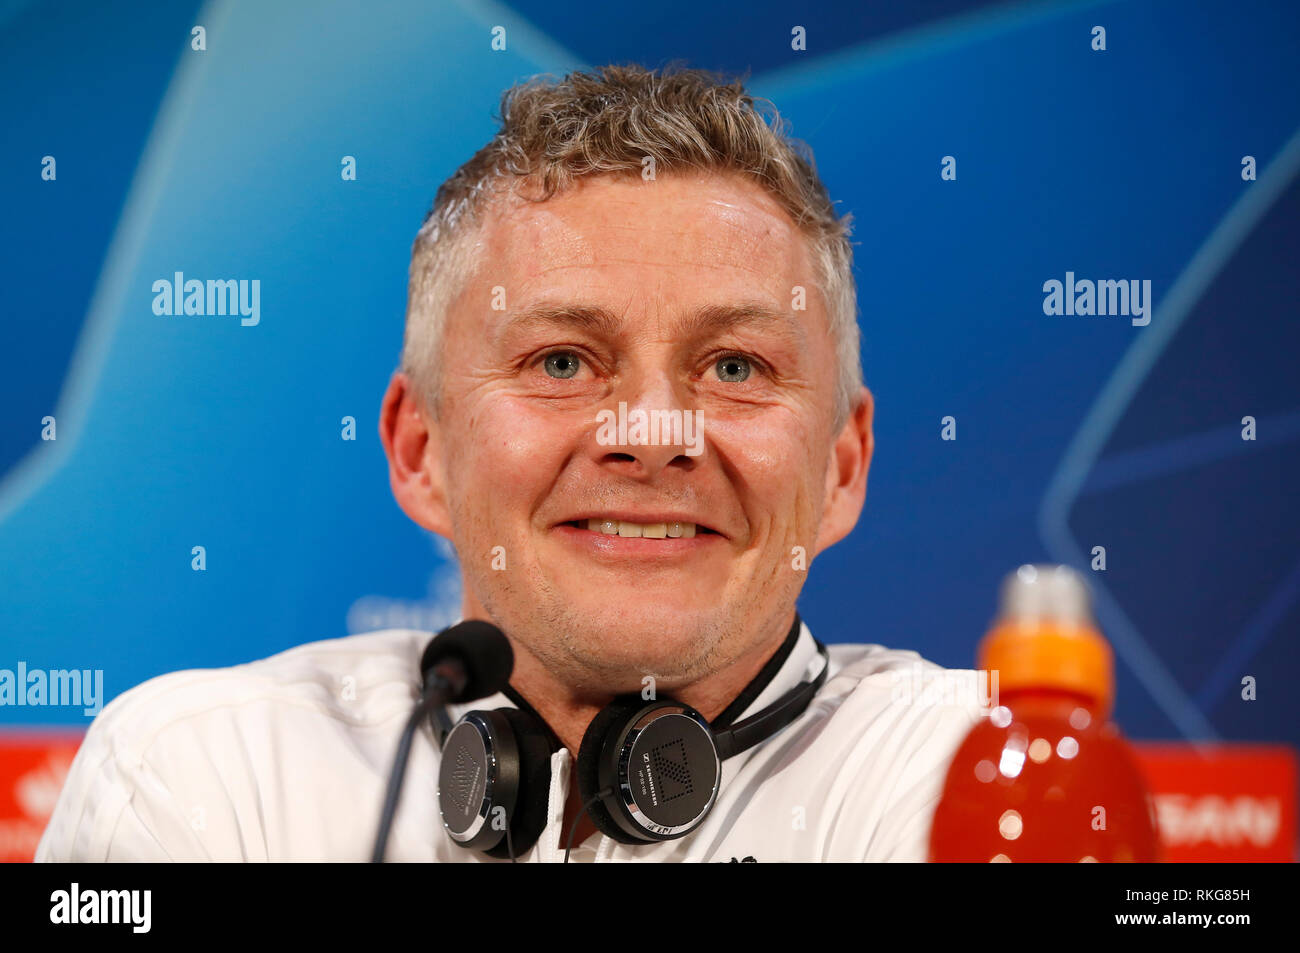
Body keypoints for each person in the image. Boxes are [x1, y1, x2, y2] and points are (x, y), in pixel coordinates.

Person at [38, 64, 982, 862]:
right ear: (421, 450)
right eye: (562, 361)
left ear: (843, 467)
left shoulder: (980, 773)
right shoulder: (206, 777)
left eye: (735, 366)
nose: (652, 434)